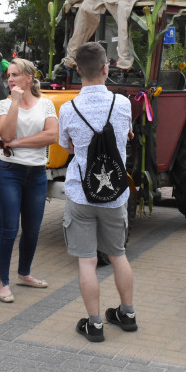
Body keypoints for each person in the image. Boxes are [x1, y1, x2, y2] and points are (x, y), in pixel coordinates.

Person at [58, 42, 136, 342]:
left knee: (87, 261)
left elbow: (66, 145)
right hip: (115, 193)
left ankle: (94, 324)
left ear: (78, 70)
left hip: (81, 193)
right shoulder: (123, 103)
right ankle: (127, 314)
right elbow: (125, 134)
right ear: (106, 68)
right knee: (118, 255)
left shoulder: (68, 108)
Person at [0, 58, 58, 303]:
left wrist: (18, 143)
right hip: (9, 172)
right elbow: (6, 133)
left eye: (15, 75)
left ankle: (24, 273)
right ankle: (3, 281)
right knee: (9, 229)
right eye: (8, 75)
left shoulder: (46, 105)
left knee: (32, 229)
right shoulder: (3, 105)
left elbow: (51, 135)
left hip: (37, 174)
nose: (10, 79)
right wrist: (16, 103)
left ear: (29, 78)